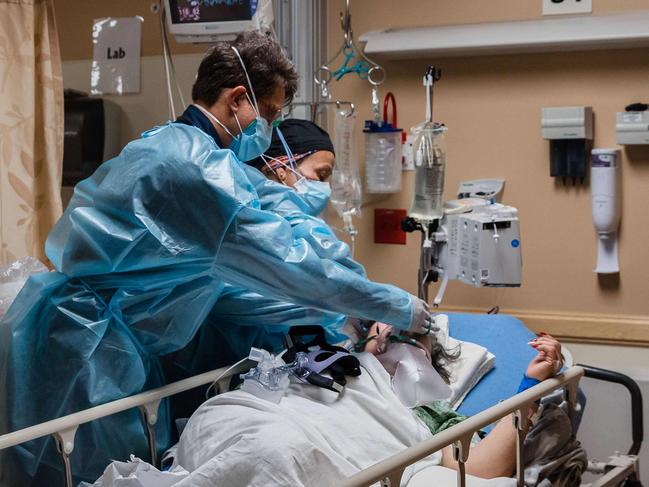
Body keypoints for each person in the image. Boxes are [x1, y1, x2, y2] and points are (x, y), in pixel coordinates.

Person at [0, 32, 434, 485]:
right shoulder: (197, 170)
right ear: (239, 99)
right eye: (268, 114)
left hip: (80, 334)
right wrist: (393, 305)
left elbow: (271, 205)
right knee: (82, 475)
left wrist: (356, 304)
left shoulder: (175, 147)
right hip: (88, 351)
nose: (269, 131)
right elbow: (292, 263)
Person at [363, 323, 564, 479]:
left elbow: (474, 470)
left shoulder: (430, 412)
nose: (398, 342)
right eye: (388, 332)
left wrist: (531, 385)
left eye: (414, 335)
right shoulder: (343, 379)